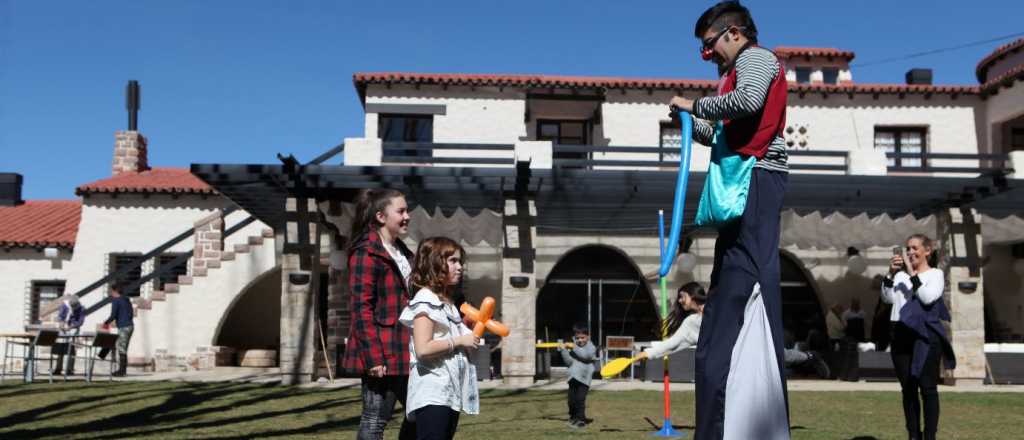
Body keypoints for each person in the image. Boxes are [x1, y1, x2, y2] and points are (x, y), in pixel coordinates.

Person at [669, 2, 790, 438]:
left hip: (756, 179)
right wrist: (689, 119)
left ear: (734, 33)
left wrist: (695, 104)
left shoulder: (757, 59)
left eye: (709, 46)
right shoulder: (733, 74)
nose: (708, 56)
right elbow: (723, 131)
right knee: (728, 298)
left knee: (743, 290)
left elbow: (747, 102)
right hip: (745, 185)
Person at [341, 188, 416, 440]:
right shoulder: (366, 252)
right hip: (381, 353)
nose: (408, 216)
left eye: (407, 210)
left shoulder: (403, 252)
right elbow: (361, 307)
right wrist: (373, 358)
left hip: (406, 349)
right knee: (374, 420)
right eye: (401, 211)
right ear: (381, 216)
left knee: (418, 414)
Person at [399, 237, 480, 440]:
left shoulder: (449, 304)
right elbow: (423, 348)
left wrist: (470, 338)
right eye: (453, 261)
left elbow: (458, 345)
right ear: (434, 263)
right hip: (432, 392)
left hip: (449, 392)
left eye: (460, 261)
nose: (459, 267)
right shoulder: (426, 300)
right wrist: (459, 341)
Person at [881, 234, 955, 440]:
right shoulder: (900, 277)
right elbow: (887, 298)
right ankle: (913, 435)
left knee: (927, 387)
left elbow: (927, 297)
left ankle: (929, 436)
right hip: (899, 332)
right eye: (908, 248)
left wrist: (912, 273)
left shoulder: (936, 274)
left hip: (924, 335)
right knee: (908, 388)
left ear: (927, 251)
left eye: (914, 248)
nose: (910, 252)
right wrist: (890, 273)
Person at [638, 282, 707, 361]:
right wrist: (646, 354)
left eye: (682, 296)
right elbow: (671, 344)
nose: (680, 300)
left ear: (692, 294)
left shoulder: (715, 307)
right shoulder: (691, 322)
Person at [557, 322, 597, 429]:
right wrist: (564, 350)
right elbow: (569, 362)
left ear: (588, 336)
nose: (580, 340)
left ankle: (581, 420)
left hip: (584, 378)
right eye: (577, 338)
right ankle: (574, 417)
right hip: (573, 377)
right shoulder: (574, 347)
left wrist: (573, 347)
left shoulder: (591, 347)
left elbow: (585, 356)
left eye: (582, 338)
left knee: (580, 399)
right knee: (571, 400)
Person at [102, 282, 134, 377]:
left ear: (115, 291)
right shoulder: (126, 300)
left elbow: (113, 315)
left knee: (121, 349)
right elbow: (131, 313)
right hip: (130, 326)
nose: (110, 292)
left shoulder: (116, 300)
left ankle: (122, 371)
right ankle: (122, 370)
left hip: (123, 327)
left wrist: (106, 323)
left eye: (111, 291)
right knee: (121, 347)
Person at [53, 294, 85, 376]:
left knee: (71, 350)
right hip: (63, 329)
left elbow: (80, 321)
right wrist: (61, 323)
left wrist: (71, 326)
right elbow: (60, 316)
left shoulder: (81, 308)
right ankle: (58, 369)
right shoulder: (64, 305)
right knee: (60, 348)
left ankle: (70, 369)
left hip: (73, 329)